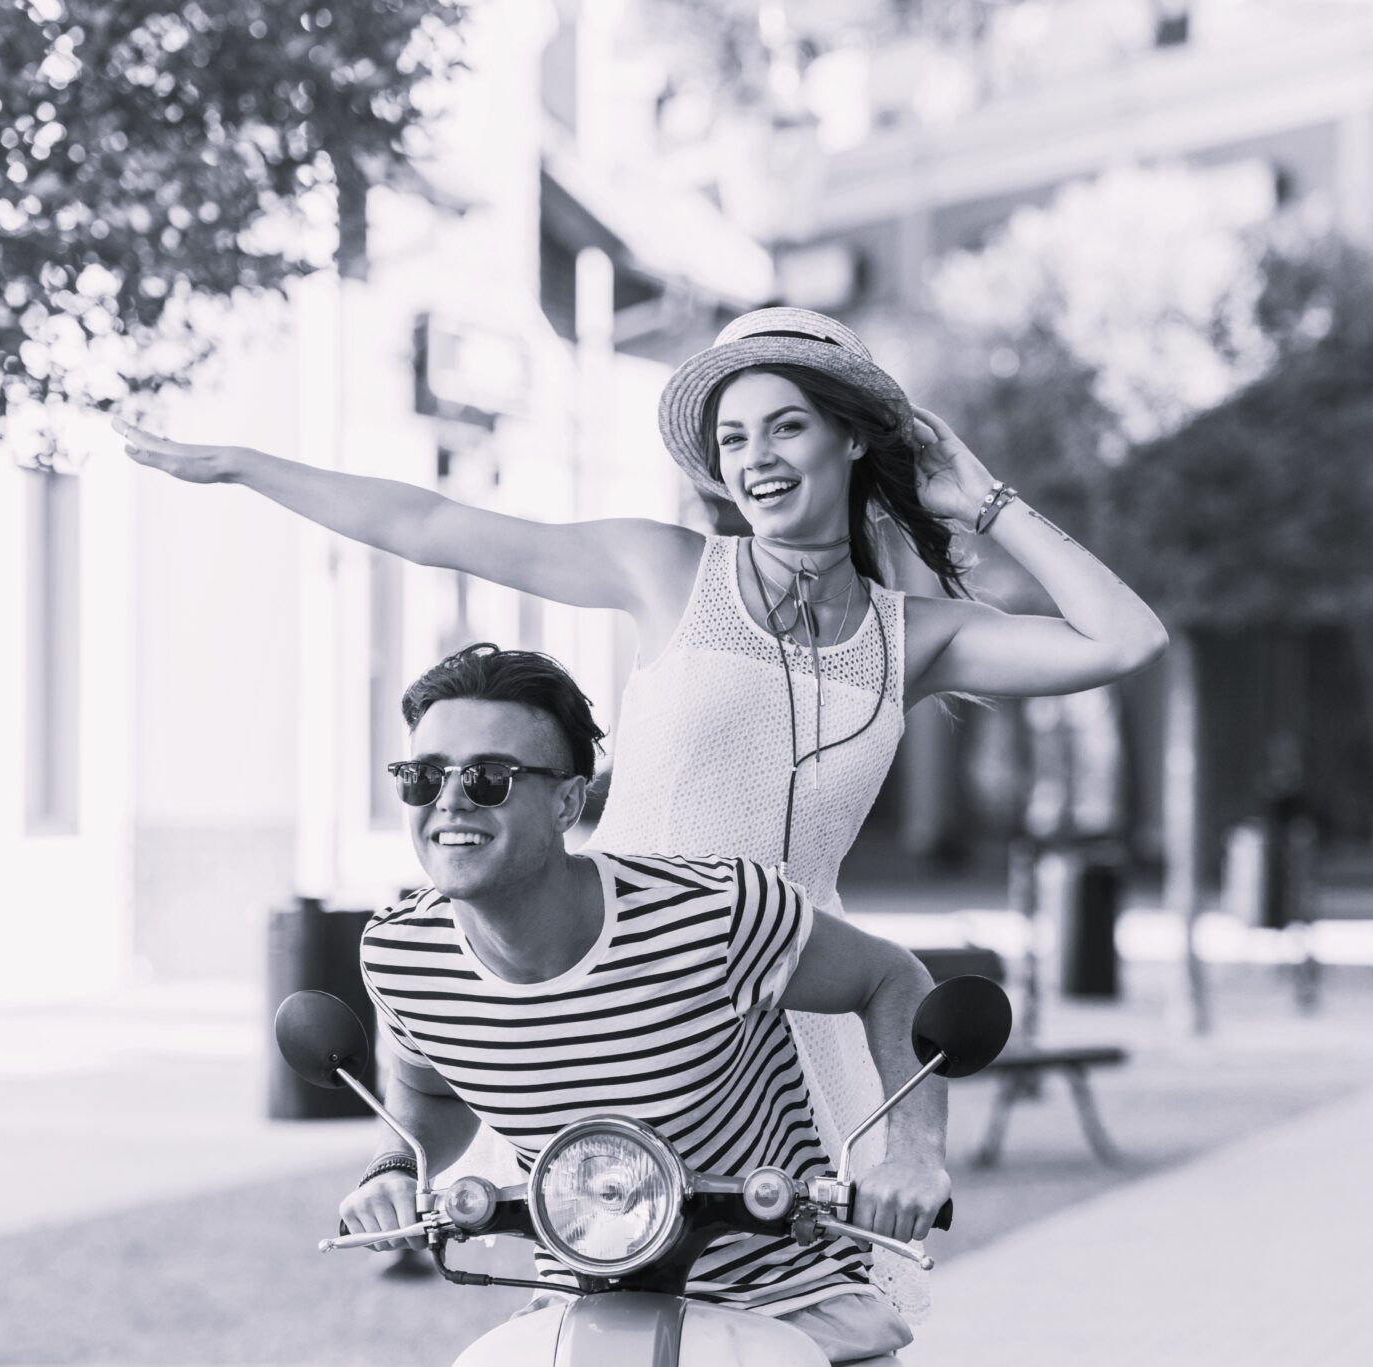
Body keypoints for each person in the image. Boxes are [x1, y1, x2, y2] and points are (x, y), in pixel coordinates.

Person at [119, 306, 1167, 1314]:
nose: (755, 456)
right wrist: (247, 467)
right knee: (602, 1286)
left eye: (786, 425)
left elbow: (1123, 640)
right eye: (731, 436)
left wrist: (981, 503)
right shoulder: (670, 571)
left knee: (823, 1312)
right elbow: (432, 523)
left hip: (804, 996)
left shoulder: (916, 635)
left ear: (849, 437)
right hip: (628, 983)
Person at [344, 644, 945, 1364]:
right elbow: (426, 1089)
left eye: (489, 776)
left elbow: (891, 978)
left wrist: (913, 1156)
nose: (451, 798)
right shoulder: (402, 952)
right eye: (424, 775)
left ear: (567, 800)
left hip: (790, 1302)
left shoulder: (714, 912)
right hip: (584, 1307)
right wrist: (394, 1168)